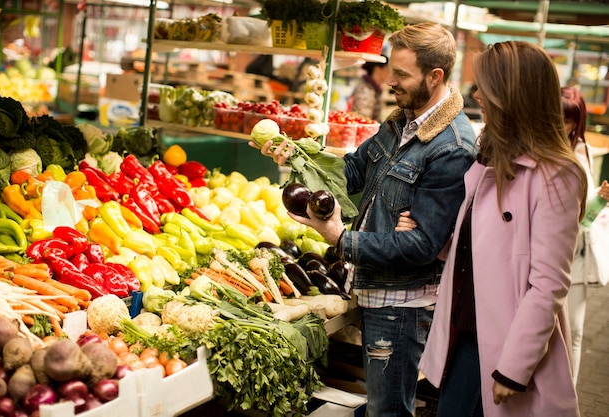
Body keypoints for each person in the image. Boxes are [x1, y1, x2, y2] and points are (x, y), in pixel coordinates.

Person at [251, 22, 477, 417]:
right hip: (376, 288)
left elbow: (421, 246)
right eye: (391, 68)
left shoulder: (452, 148)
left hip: (402, 305)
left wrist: (341, 238)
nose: (391, 81)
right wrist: (296, 157)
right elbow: (352, 172)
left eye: (403, 74)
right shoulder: (402, 121)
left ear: (435, 76)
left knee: (387, 411)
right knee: (379, 407)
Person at [412, 41, 587, 417]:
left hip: (501, 349)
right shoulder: (491, 156)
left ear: (512, 95)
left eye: (485, 86)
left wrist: (514, 367)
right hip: (464, 334)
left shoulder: (557, 174)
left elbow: (549, 283)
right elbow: (480, 242)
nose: (476, 94)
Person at [561, 86, 609, 385]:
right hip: (547, 255)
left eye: (569, 120)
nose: (562, 126)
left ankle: (567, 400)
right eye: (559, 118)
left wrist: (601, 199)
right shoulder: (542, 150)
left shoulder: (585, 152)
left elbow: (586, 218)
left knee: (575, 333)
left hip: (576, 255)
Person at [347, 56, 390, 122]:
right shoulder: (365, 90)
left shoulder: (373, 88)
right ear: (378, 69)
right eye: (387, 69)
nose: (389, 73)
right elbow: (363, 120)